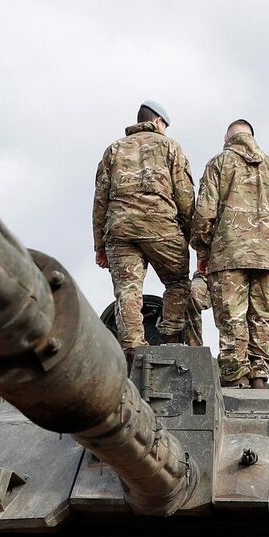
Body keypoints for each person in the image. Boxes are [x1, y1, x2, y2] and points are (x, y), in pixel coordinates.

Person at [193, 119, 269, 388]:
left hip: (228, 256)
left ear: (228, 138)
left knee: (232, 318)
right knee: (263, 318)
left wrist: (202, 250)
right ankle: (260, 376)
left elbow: (204, 213)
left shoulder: (219, 163)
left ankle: (235, 377)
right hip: (267, 257)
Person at [93, 100, 195, 355]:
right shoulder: (171, 147)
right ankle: (171, 341)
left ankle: (132, 348)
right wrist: (189, 234)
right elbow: (184, 195)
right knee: (177, 282)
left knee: (127, 291)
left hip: (120, 230)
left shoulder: (113, 150)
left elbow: (100, 202)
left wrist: (99, 246)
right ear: (159, 122)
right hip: (160, 227)